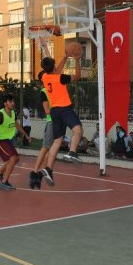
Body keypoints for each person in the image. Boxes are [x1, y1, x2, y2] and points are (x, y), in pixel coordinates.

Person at [39, 52, 85, 186]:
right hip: (65, 109)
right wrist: (77, 60)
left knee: (57, 141)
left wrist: (64, 57)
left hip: (54, 112)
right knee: (78, 130)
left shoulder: (45, 77)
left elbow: (56, 70)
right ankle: (72, 152)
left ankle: (48, 169)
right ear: (53, 67)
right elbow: (77, 76)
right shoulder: (60, 78)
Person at [0, 95, 31, 190]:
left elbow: (17, 125)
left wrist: (26, 135)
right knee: (12, 158)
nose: (13, 103)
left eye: (13, 101)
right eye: (10, 101)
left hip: (6, 140)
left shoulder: (13, 112)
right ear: (5, 103)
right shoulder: (0, 114)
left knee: (17, 159)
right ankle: (4, 182)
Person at [29, 72, 53, 189]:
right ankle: (34, 173)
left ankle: (40, 174)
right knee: (45, 147)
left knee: (50, 151)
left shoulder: (55, 87)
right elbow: (47, 111)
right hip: (52, 122)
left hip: (59, 122)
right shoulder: (44, 92)